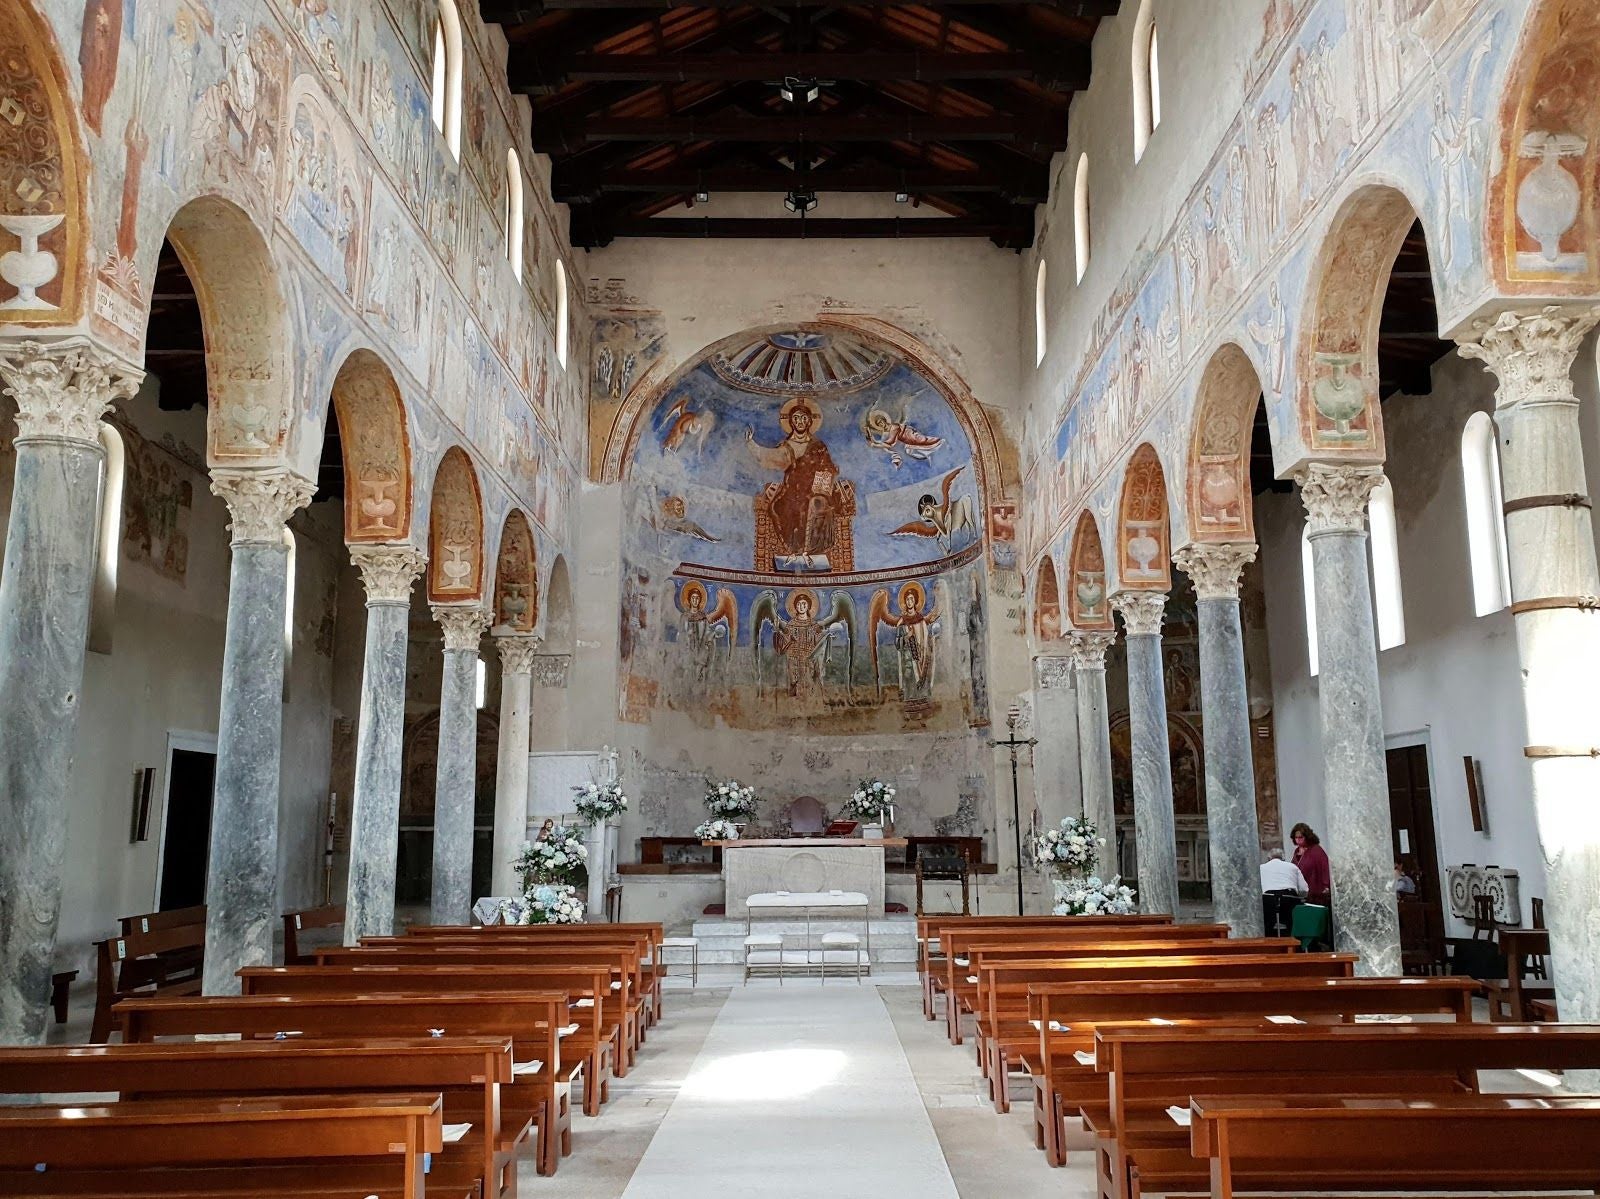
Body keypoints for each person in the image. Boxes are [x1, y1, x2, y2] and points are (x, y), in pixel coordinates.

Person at [1290, 822, 1331, 905]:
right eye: (1296, 837)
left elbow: (1325, 868)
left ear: (1307, 837)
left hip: (1316, 892)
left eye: (1301, 837)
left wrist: (1326, 885)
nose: (1298, 839)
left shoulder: (1316, 850)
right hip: (1302, 892)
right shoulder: (1296, 851)